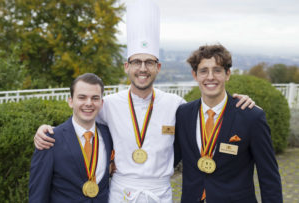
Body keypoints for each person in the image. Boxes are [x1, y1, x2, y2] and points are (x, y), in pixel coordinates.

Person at [33, 0, 255, 202]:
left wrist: (240, 101)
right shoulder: (108, 103)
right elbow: (80, 121)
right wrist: (47, 130)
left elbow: (210, 117)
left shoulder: (175, 104)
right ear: (126, 66)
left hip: (160, 192)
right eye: (136, 62)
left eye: (149, 63)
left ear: (158, 67)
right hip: (122, 193)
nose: (142, 69)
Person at [174, 44, 283, 203]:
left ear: (227, 74)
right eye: (204, 71)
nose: (210, 77)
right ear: (195, 75)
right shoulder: (183, 114)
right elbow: (169, 158)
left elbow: (269, 176)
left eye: (217, 70)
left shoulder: (251, 117)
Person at [29, 73, 113, 203]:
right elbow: (38, 195)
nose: (89, 103)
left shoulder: (109, 135)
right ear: (70, 101)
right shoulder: (50, 140)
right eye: (82, 97)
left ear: (101, 103)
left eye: (95, 98)